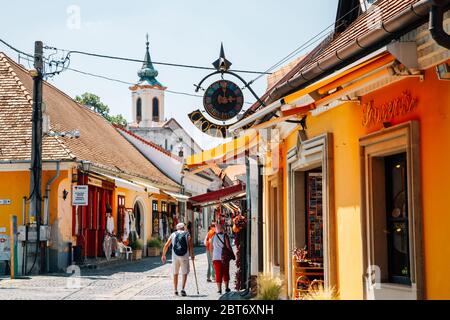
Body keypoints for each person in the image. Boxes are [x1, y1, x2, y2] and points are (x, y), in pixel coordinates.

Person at [161, 222, 194, 296]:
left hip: (175, 256)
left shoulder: (173, 234)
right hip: (184, 256)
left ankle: (175, 290)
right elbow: (190, 245)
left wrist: (163, 255)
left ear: (177, 228)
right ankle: (182, 289)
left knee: (175, 273)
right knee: (184, 273)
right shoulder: (187, 234)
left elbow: (166, 245)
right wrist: (192, 255)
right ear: (183, 228)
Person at [211, 223, 234, 294]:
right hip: (224, 257)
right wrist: (232, 254)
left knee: (218, 273)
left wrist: (212, 257)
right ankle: (226, 288)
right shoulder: (225, 236)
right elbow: (228, 246)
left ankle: (219, 289)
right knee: (225, 272)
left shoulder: (213, 237)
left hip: (215, 257)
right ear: (222, 229)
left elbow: (211, 248)